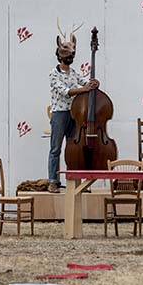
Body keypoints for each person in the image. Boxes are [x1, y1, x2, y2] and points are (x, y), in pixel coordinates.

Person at [47, 31, 98, 193]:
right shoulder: (53, 74)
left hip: (74, 114)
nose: (70, 58)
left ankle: (74, 181)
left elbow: (85, 82)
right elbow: (66, 91)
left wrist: (93, 83)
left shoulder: (74, 72)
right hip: (59, 114)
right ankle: (53, 181)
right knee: (55, 148)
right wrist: (84, 88)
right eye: (67, 54)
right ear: (60, 56)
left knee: (73, 148)